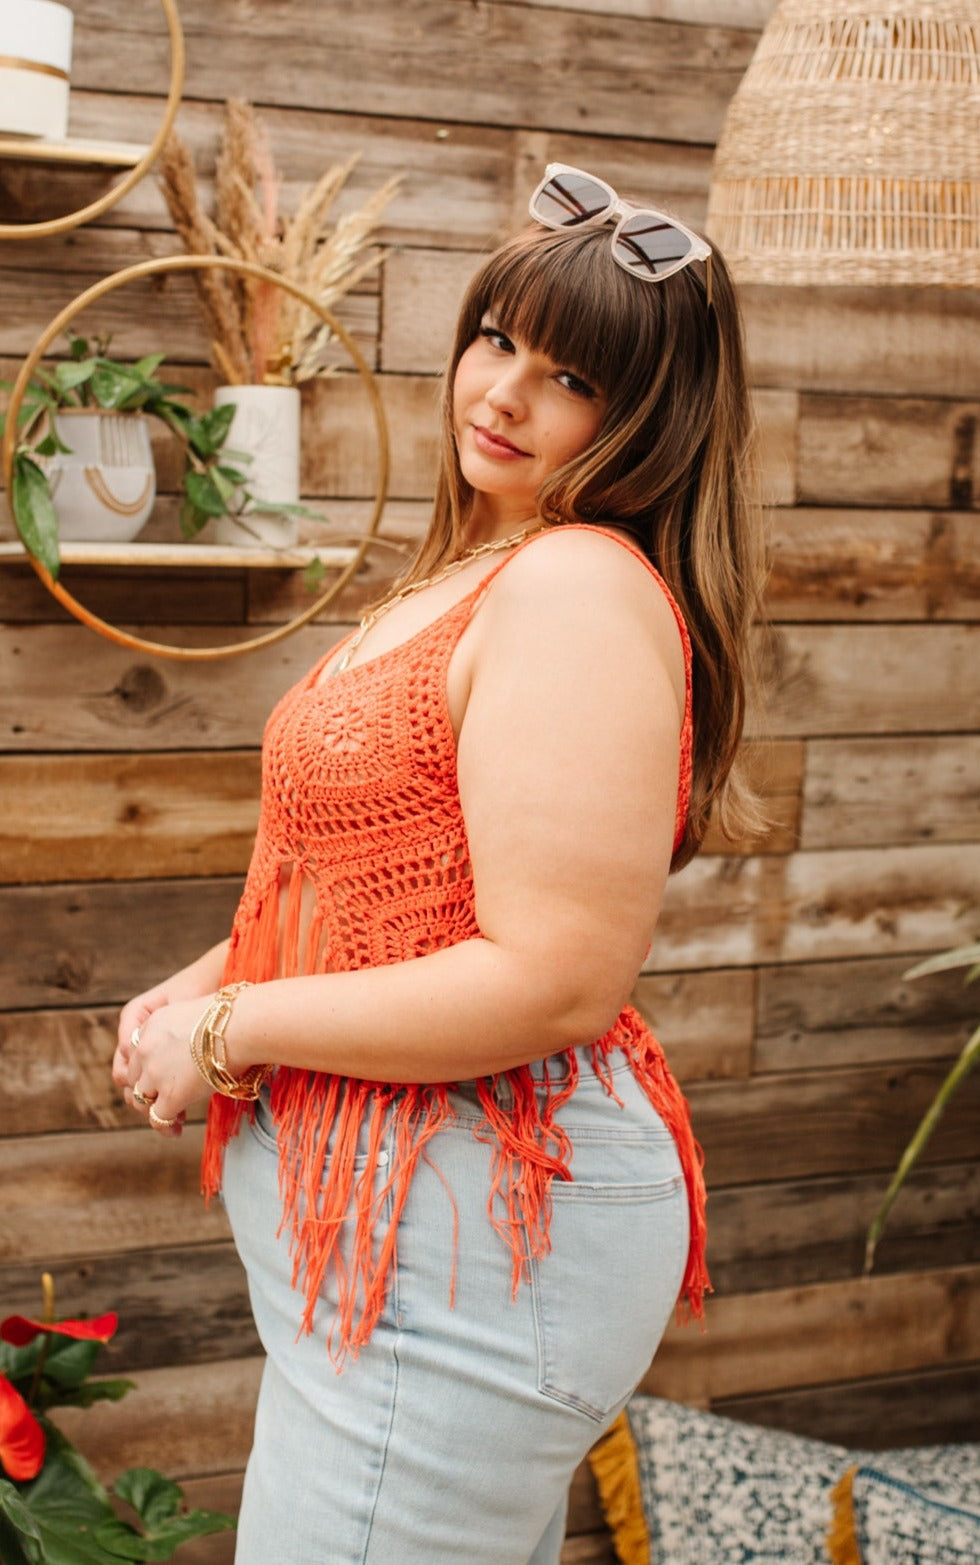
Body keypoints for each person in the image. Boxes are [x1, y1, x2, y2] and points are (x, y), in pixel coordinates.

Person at [112, 163, 765, 1565]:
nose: (505, 393)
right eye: (496, 338)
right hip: (414, 1229)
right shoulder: (481, 565)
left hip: (476, 1233)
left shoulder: (576, 585)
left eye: (570, 375)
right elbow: (374, 889)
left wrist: (231, 1027)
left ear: (647, 415)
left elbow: (549, 981)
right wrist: (202, 981)